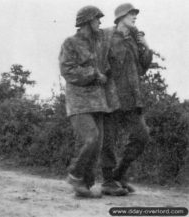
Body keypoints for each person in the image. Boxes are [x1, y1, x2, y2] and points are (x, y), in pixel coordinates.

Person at [59, 5, 125, 198]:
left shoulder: (100, 41)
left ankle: (84, 186)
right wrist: (94, 74)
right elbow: (68, 71)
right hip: (78, 102)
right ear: (87, 21)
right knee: (92, 138)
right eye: (97, 19)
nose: (99, 22)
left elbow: (114, 33)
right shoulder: (70, 43)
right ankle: (75, 175)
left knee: (97, 144)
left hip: (99, 102)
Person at [101, 3, 153, 195]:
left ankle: (119, 175)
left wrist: (145, 45)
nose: (135, 17)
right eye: (131, 14)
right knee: (109, 140)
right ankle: (108, 182)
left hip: (132, 98)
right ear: (121, 16)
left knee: (142, 136)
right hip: (112, 97)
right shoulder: (106, 36)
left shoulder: (133, 40)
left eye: (135, 15)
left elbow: (142, 67)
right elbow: (98, 62)